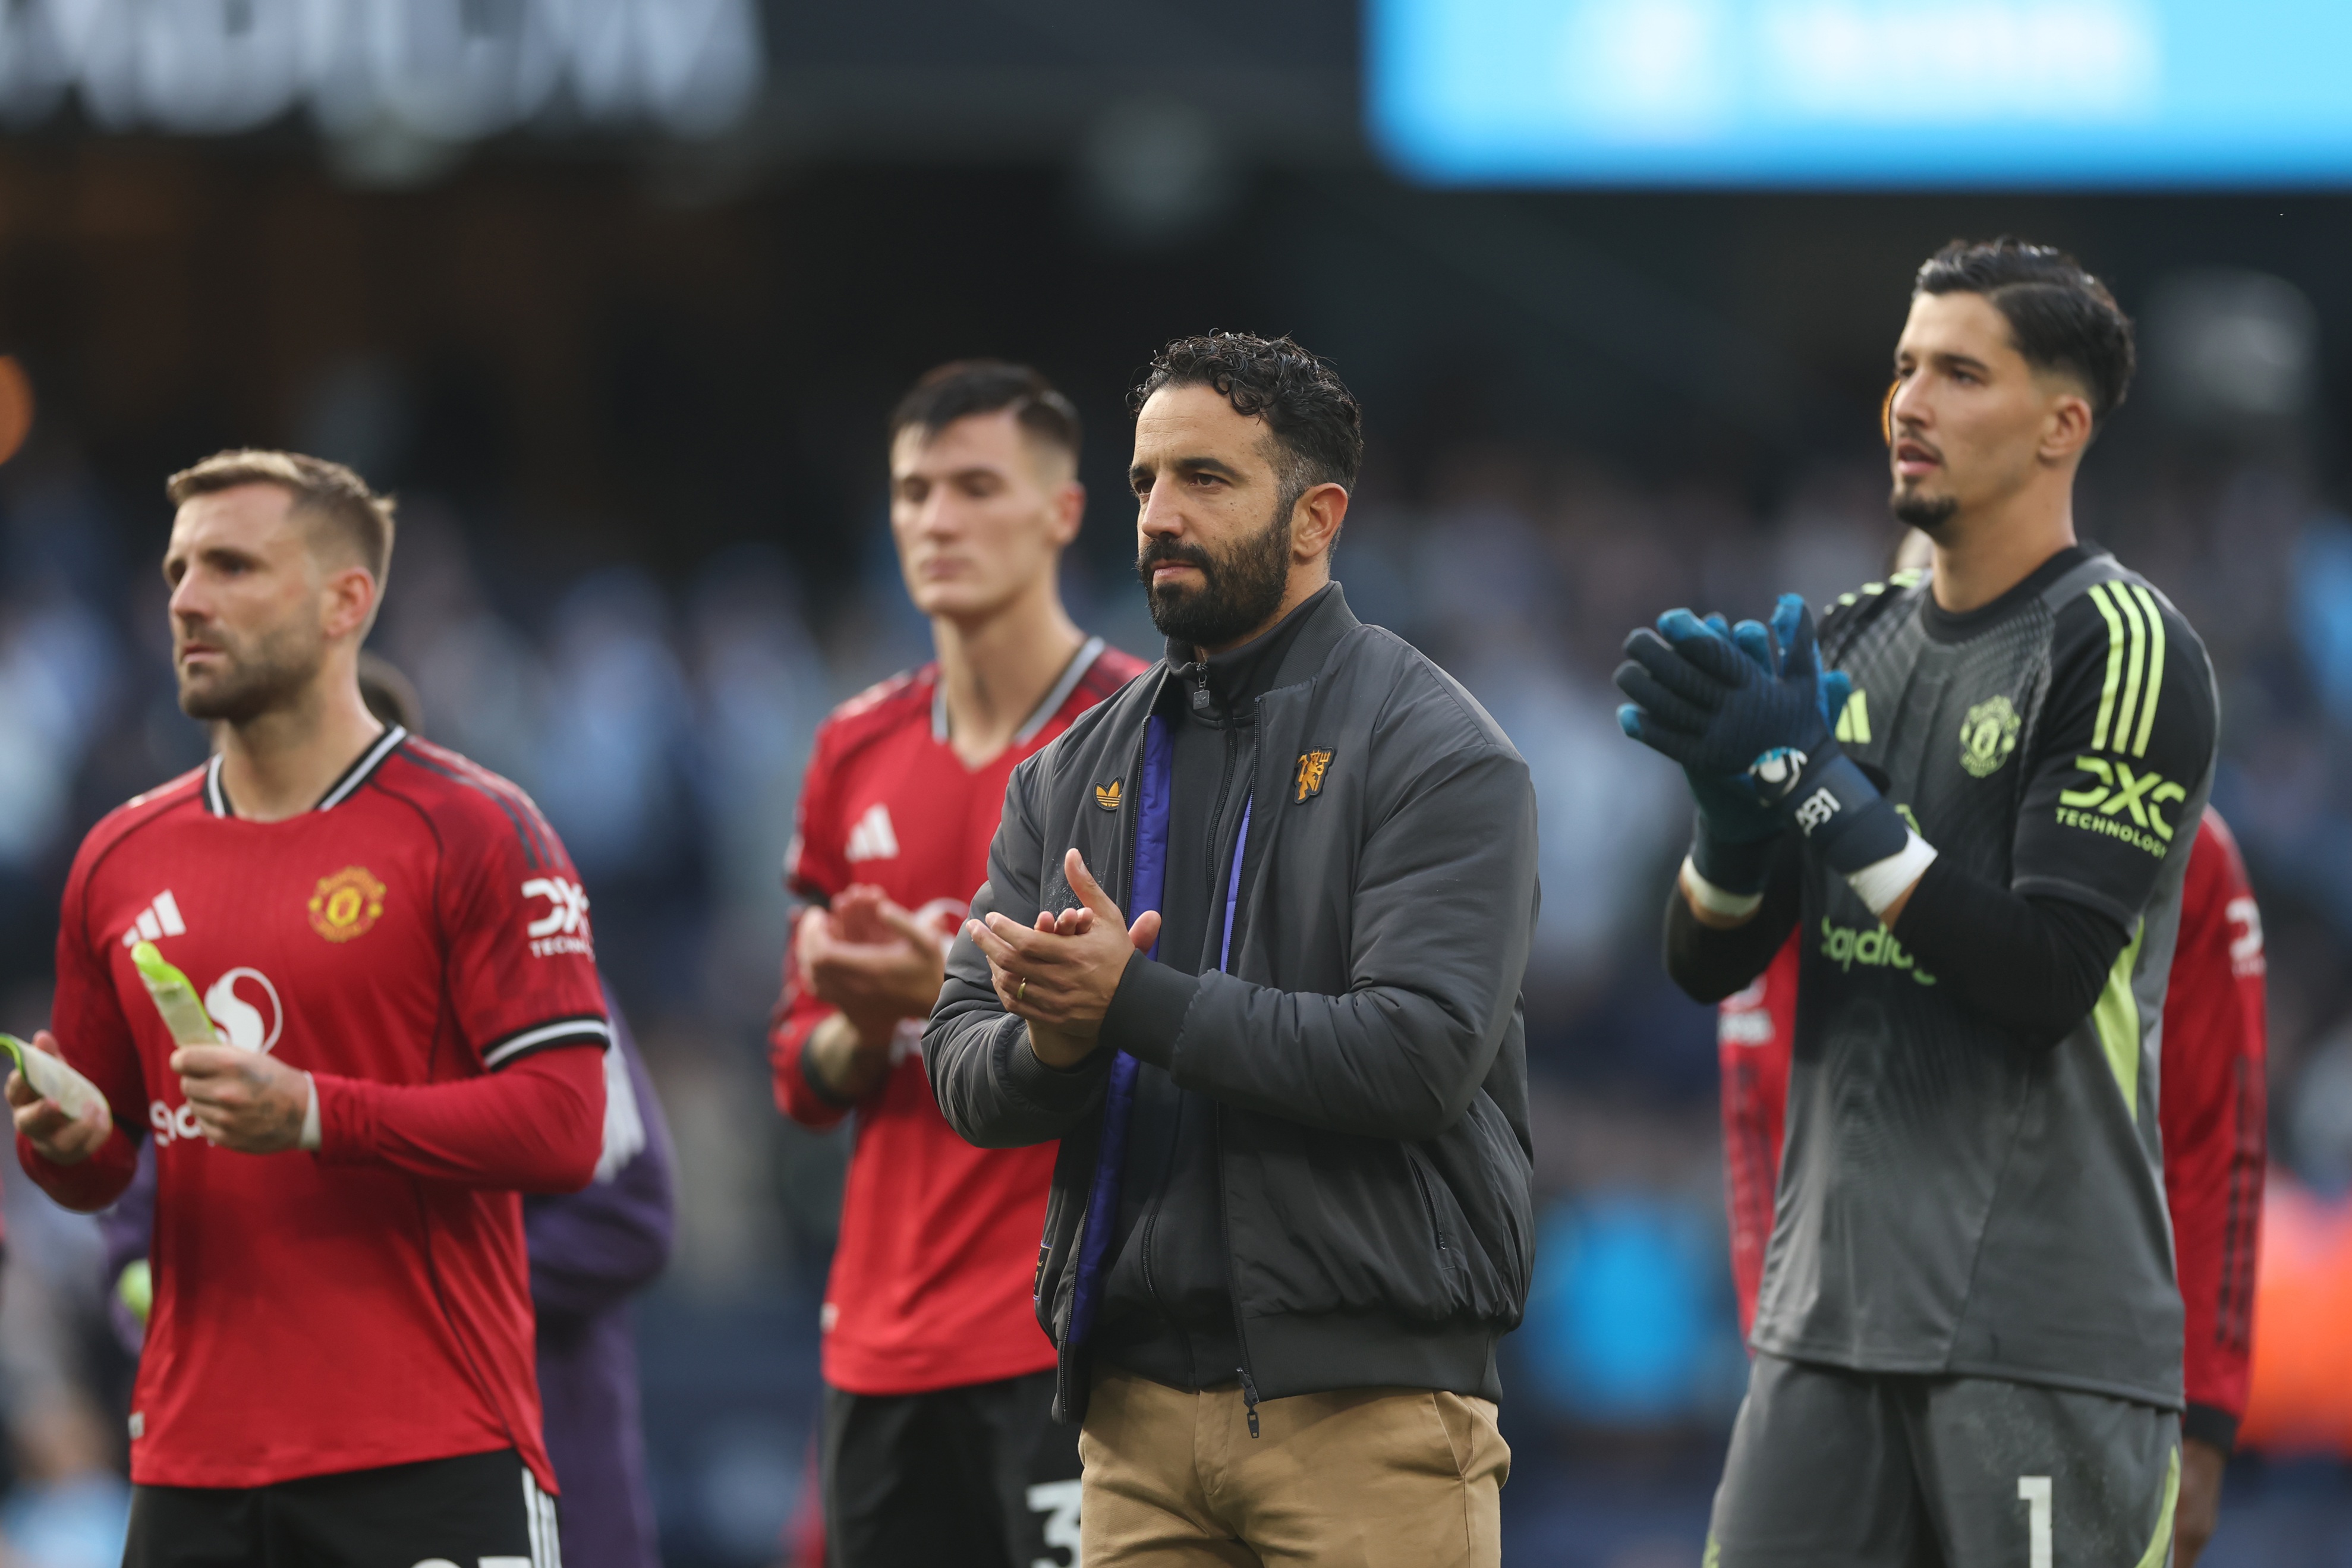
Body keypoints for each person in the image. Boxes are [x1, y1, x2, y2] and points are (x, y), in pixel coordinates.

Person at [1617, 239, 2218, 1565]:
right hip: (1824, 1321)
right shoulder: (1844, 636)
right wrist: (1732, 819)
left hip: (2038, 1326)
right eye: (1901, 367)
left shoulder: (2119, 642)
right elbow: (1707, 963)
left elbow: (2044, 973)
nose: (1907, 402)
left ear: (2062, 424)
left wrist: (1815, 782)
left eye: (1957, 372)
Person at [925, 332, 1536, 1568]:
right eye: (1147, 479)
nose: (1159, 513)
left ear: (1316, 516)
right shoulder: (1069, 767)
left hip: (1369, 1415)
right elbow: (957, 1055)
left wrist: (1132, 1002)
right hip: (1133, 1423)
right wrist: (1051, 1043)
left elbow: (1418, 1054)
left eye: (1205, 479)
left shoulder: (1439, 749)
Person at [8, 449, 610, 1566]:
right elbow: (106, 1164)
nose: (187, 598)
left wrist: (320, 1114)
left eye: (233, 565)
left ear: (348, 602)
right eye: (179, 568)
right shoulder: (116, 857)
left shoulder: (476, 828)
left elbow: (567, 1127)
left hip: (430, 1448)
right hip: (194, 1469)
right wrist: (65, 1142)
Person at [96, 655, 678, 1568]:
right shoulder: (209, 985)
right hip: (263, 1464)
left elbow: (631, 1213)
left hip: (520, 1454)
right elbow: (140, 1221)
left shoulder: (529, 958)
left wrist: (388, 1295)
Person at [768, 361, 1144, 1567]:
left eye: (976, 486)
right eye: (913, 490)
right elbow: (800, 1071)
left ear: (1062, 512)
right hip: (880, 1337)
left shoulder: (1147, 732)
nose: (937, 519)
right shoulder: (853, 745)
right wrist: (859, 1014)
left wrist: (939, 987)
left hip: (1073, 1325)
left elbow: (1168, 1025)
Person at [1718, 802, 2265, 1566]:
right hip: (1842, 1361)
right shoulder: (1824, 798)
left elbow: (2216, 1140)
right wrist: (1777, 1357)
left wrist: (2205, 1422)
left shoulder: (2176, 826)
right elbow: (1762, 1104)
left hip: (2062, 1370)